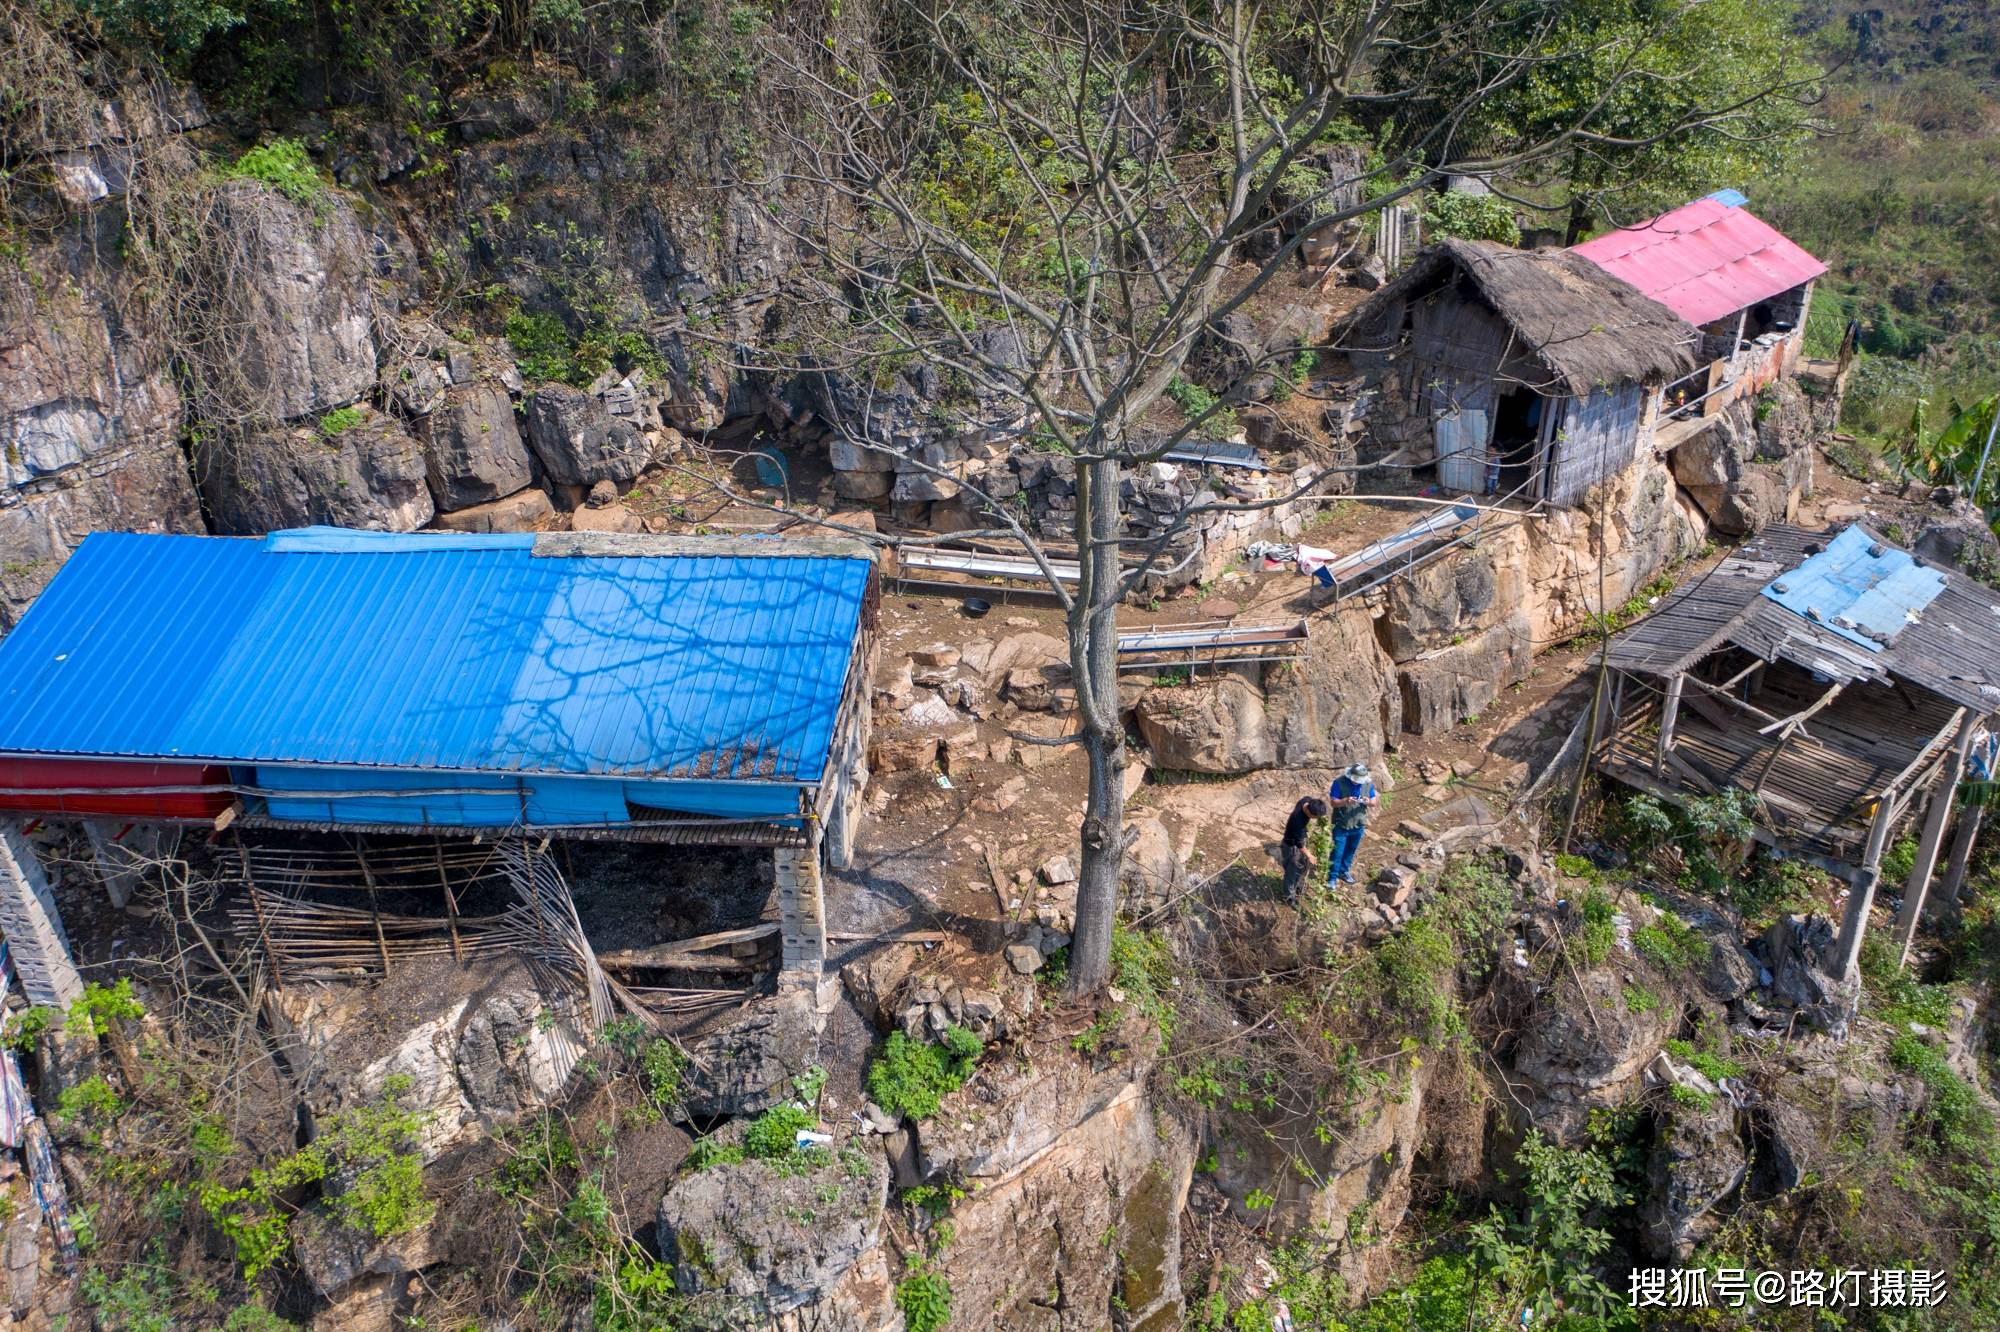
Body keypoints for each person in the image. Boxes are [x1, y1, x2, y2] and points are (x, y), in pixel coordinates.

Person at [1326, 762, 1378, 887]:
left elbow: (1374, 802)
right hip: (1341, 825)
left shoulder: (1367, 784)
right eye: (1356, 780)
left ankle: (1343, 872)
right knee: (1337, 852)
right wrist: (1345, 801)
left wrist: (1368, 801)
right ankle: (1332, 878)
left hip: (1359, 824)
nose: (1357, 783)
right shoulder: (1339, 783)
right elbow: (1333, 803)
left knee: (1351, 850)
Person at [1279, 796, 1330, 902]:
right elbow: (1298, 844)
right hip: (1291, 845)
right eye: (1315, 817)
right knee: (1291, 871)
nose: (1315, 819)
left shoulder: (1307, 800)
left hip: (1299, 841)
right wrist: (1310, 855)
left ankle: (1297, 886)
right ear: (1308, 811)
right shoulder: (1297, 821)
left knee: (1302, 866)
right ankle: (1288, 896)